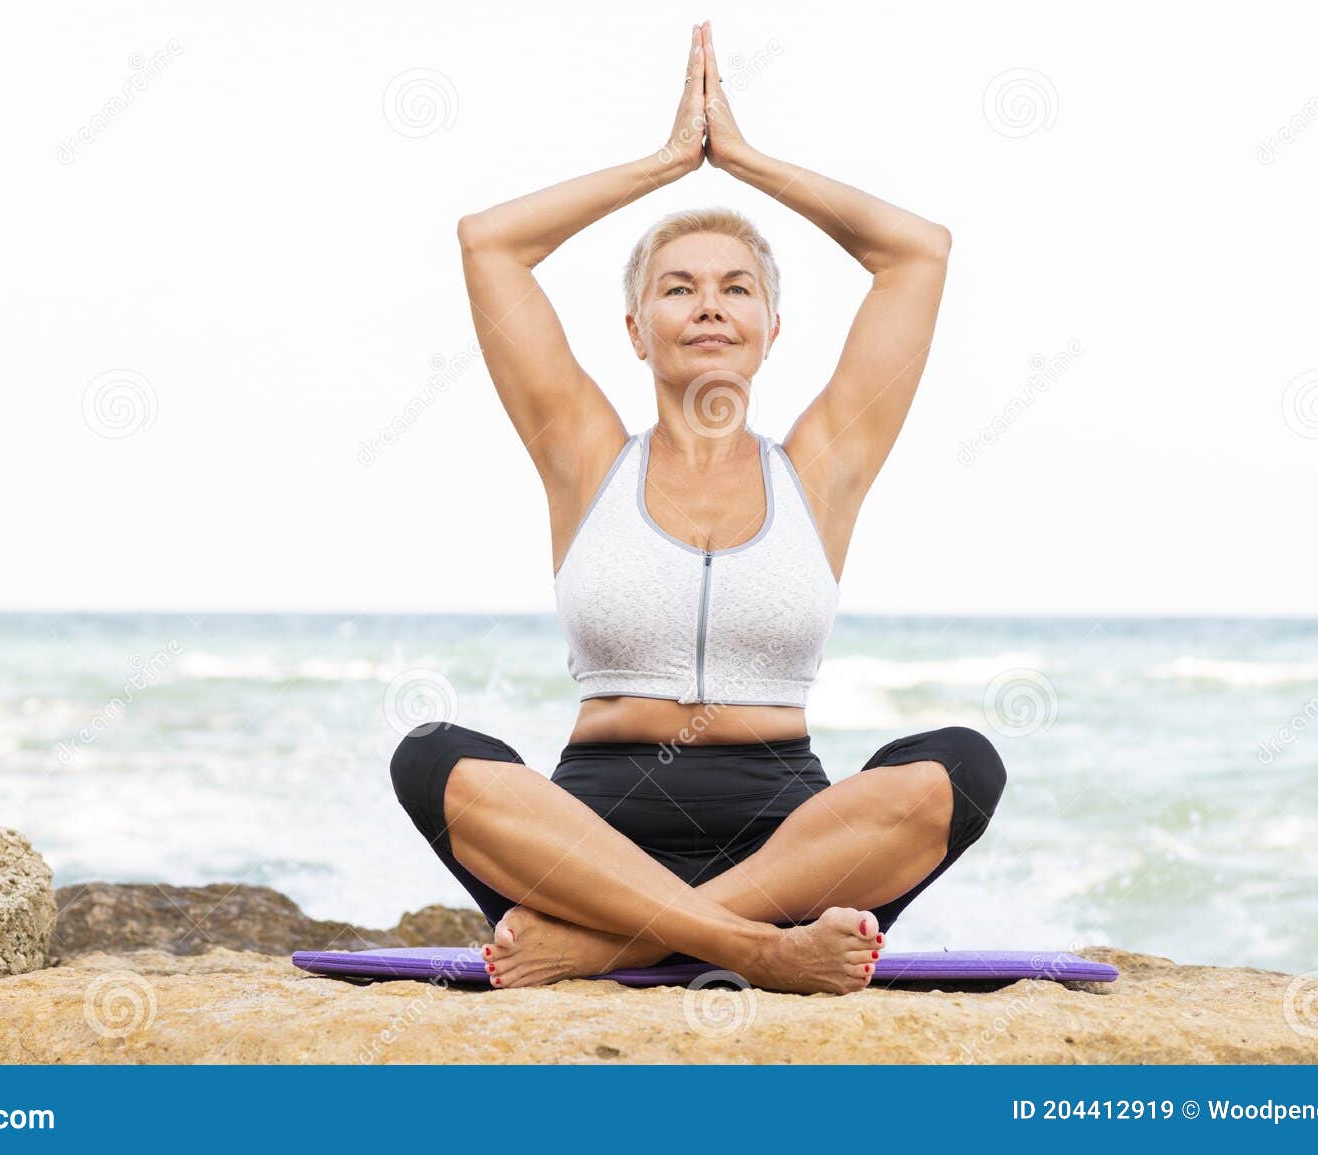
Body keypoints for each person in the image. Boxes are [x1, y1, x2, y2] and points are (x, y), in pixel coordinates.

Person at [390, 21, 1005, 995]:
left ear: (770, 327)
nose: (709, 306)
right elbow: (490, 242)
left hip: (788, 843)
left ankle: (610, 946)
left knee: (959, 765)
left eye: (736, 289)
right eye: (677, 289)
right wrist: (668, 164)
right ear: (636, 330)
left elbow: (916, 254)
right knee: (434, 756)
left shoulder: (824, 466)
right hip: (592, 836)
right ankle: (754, 949)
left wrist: (747, 161)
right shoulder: (582, 455)